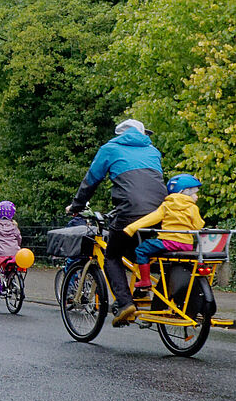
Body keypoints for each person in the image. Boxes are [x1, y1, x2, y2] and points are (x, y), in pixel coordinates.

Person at [66, 117, 166, 326]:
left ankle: (125, 303)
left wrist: (76, 206)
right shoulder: (153, 151)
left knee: (112, 256)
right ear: (142, 134)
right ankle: (144, 292)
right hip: (160, 211)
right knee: (140, 249)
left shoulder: (110, 149)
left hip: (129, 211)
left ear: (120, 134)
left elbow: (91, 181)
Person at [123, 173, 205, 295]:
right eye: (195, 193)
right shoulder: (192, 208)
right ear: (186, 192)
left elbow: (151, 218)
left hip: (168, 243)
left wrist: (131, 228)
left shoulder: (167, 205)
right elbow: (198, 226)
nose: (197, 197)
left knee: (142, 250)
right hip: (186, 245)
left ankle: (145, 280)